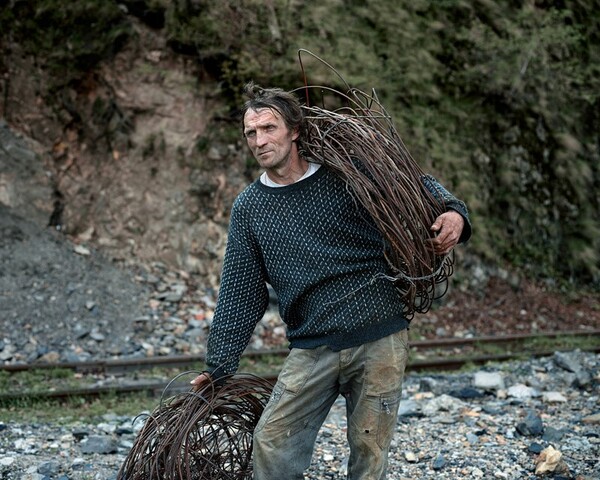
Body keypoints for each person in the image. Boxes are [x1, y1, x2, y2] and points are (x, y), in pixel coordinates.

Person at [191, 83, 471, 479]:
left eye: (269, 128)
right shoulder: (250, 208)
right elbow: (241, 293)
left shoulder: (348, 176)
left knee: (369, 452)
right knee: (271, 440)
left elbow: (412, 184)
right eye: (250, 133)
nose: (259, 140)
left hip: (379, 338)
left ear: (294, 131)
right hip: (313, 346)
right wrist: (219, 366)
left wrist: (454, 212)